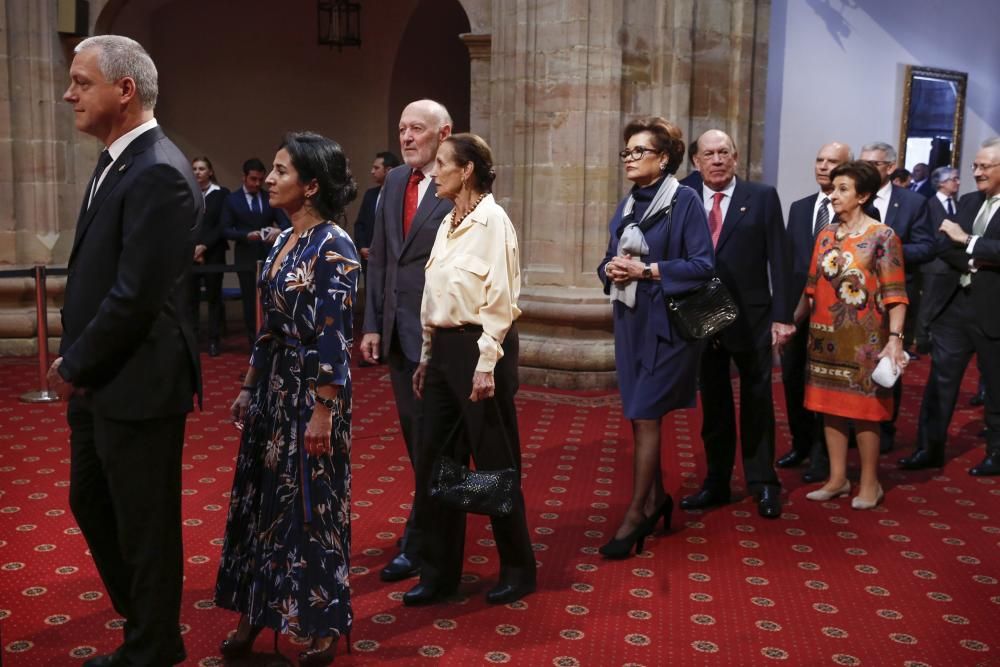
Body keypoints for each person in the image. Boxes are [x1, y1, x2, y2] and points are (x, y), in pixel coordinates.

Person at [49, 35, 202, 666]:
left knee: (145, 524)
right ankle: (147, 622)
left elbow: (135, 296)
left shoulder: (159, 169)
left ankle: (151, 645)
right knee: (91, 499)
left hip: (136, 378)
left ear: (125, 90)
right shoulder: (119, 160)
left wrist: (76, 363)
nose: (69, 93)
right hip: (104, 377)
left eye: (82, 82)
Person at [215, 132, 360, 665]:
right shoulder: (280, 242)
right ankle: (255, 611)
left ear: (312, 185)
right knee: (261, 502)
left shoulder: (334, 246)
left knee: (310, 506)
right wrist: (248, 385)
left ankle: (321, 622)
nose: (270, 178)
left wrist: (324, 410)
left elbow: (335, 336)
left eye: (281, 171)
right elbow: (269, 327)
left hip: (313, 395)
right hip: (275, 387)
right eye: (271, 170)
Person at [403, 132, 536, 606]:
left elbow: (501, 298)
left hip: (482, 352)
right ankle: (439, 574)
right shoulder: (447, 222)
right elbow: (433, 295)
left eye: (442, 163)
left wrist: (485, 364)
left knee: (496, 462)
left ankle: (519, 569)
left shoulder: (493, 222)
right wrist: (425, 355)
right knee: (435, 462)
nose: (434, 171)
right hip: (443, 352)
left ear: (467, 171)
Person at [597, 117, 714, 558]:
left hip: (667, 326)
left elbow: (703, 265)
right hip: (631, 322)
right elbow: (611, 256)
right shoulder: (629, 203)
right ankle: (658, 498)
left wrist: (647, 270)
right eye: (625, 152)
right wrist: (608, 269)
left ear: (663, 158)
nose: (629, 158)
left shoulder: (683, 201)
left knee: (646, 414)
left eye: (639, 151)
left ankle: (637, 514)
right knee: (636, 414)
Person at [361, 99, 454, 583]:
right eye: (401, 129)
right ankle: (431, 522)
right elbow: (380, 258)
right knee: (416, 440)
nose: (407, 137)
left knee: (436, 442)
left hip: (442, 334)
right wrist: (373, 324)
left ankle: (425, 535)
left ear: (444, 132)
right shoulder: (395, 181)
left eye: (417, 128)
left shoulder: (460, 182)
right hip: (397, 333)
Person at [679, 129, 794, 520]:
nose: (716, 160)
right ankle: (716, 482)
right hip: (703, 318)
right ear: (696, 161)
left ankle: (763, 482)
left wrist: (782, 316)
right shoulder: (684, 197)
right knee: (714, 406)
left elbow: (778, 259)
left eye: (723, 152)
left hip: (754, 319)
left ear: (736, 156)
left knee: (758, 403)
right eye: (708, 154)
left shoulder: (761, 197)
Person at [798, 160, 909, 509]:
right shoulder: (825, 235)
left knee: (865, 412)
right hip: (823, 337)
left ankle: (870, 483)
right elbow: (811, 287)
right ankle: (837, 478)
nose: (833, 195)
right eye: (833, 188)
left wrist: (895, 339)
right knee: (828, 408)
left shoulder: (883, 236)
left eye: (842, 189)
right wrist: (789, 323)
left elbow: (896, 294)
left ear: (862, 195)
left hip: (865, 342)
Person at [898, 137, 1000, 476]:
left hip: (993, 311)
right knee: (940, 382)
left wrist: (968, 241)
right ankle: (929, 448)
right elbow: (943, 245)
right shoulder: (969, 202)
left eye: (984, 167)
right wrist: (975, 260)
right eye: (975, 166)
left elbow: (969, 243)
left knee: (996, 387)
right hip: (956, 305)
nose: (976, 173)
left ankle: (996, 454)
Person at [778, 142, 852, 484]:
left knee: (826, 386)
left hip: (835, 315)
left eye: (832, 161)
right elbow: (790, 264)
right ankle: (801, 444)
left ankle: (824, 456)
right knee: (793, 379)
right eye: (819, 159)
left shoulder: (856, 213)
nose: (823, 166)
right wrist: (783, 311)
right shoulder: (799, 207)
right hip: (797, 311)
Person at [858, 142, 936, 452]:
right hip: (856, 296)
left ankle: (886, 427)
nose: (866, 169)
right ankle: (856, 423)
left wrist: (888, 249)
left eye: (874, 164)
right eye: (862, 163)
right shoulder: (855, 197)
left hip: (896, 296)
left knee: (890, 359)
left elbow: (928, 246)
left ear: (891, 167)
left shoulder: (913, 202)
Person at [222, 157, 290, 348]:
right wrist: (246, 235)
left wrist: (278, 231)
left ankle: (273, 339)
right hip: (245, 255)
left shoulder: (269, 196)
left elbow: (285, 222)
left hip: (269, 254)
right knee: (250, 301)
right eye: (253, 179)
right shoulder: (232, 199)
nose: (257, 183)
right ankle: (254, 342)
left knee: (271, 298)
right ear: (244, 177)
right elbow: (225, 229)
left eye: (260, 179)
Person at [914, 166, 961, 355]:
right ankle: (922, 341)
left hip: (953, 266)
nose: (958, 182)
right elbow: (932, 236)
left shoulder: (958, 204)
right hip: (934, 265)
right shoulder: (929, 204)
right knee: (928, 305)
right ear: (942, 183)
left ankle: (935, 338)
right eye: (954, 179)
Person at [190, 157, 230, 356]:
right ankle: (193, 338)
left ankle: (214, 340)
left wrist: (204, 246)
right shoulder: (187, 192)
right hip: (190, 254)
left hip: (213, 252)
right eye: (194, 168)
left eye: (201, 168)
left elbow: (222, 226)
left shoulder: (221, 194)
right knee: (192, 298)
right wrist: (192, 247)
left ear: (210, 172)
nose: (197, 172)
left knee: (214, 297)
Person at [354, 150, 401, 275]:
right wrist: (362, 246)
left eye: (376, 168)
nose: (372, 171)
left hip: (392, 261)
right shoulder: (370, 195)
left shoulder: (402, 195)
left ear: (389, 170)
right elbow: (360, 224)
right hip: (370, 259)